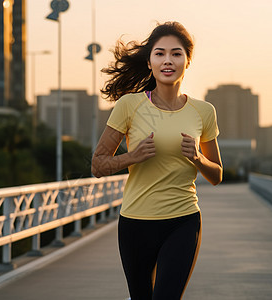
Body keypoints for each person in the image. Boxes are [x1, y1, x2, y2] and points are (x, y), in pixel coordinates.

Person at [91, 21, 223, 300]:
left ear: (187, 61)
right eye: (159, 53)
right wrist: (132, 157)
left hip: (183, 220)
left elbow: (216, 175)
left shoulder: (204, 111)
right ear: (149, 61)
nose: (167, 60)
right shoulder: (129, 105)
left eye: (176, 54)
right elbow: (98, 165)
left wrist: (198, 158)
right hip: (135, 222)